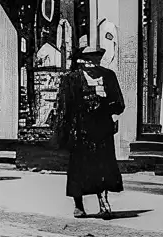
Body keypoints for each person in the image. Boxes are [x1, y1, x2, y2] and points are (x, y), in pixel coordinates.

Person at [53, 46, 124, 218]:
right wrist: (63, 132)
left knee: (103, 166)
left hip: (102, 130)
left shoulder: (108, 76)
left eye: (96, 59)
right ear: (81, 61)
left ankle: (103, 201)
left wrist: (105, 102)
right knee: (78, 168)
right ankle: (78, 204)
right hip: (79, 129)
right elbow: (64, 107)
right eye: (89, 60)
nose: (93, 64)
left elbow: (119, 104)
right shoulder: (71, 79)